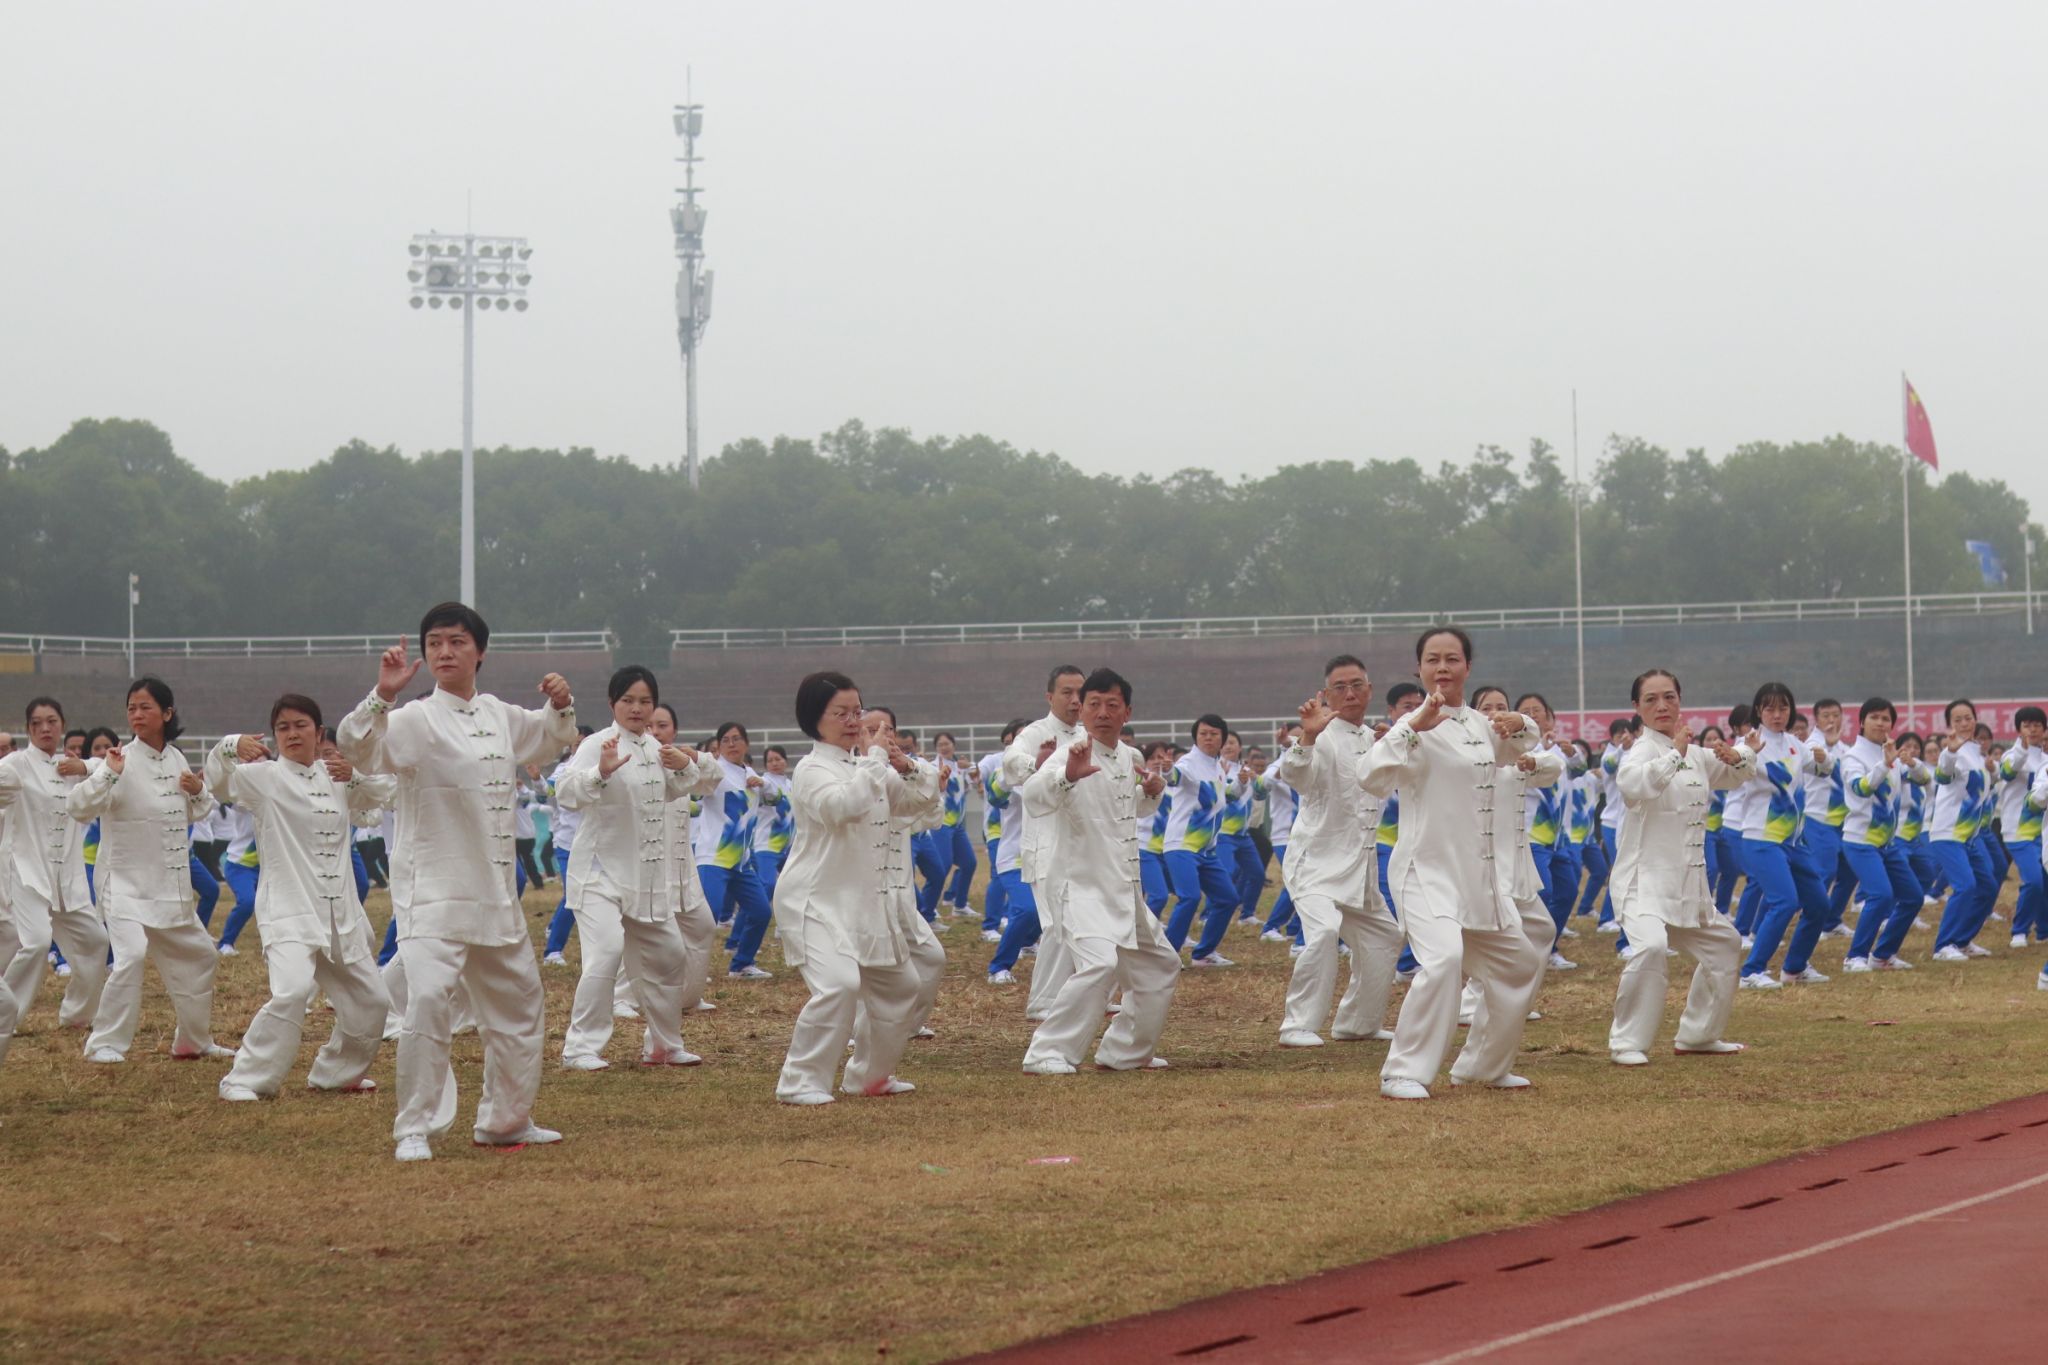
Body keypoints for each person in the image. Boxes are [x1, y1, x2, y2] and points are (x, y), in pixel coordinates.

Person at [337, 602, 578, 1162]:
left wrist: (560, 704)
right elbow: (361, 748)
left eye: (456, 642)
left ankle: (505, 1121)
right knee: (426, 1003)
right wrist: (383, 695)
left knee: (518, 1007)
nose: (444, 652)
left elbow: (547, 738)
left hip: (495, 895)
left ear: (480, 651)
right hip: (435, 891)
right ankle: (414, 1126)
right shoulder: (416, 718)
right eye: (435, 643)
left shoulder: (498, 714)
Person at [1364, 627, 1543, 1100]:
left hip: (1477, 877)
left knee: (1520, 963)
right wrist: (1409, 729)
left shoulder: (1478, 725)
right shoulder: (1414, 727)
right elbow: (1370, 777)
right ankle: (1403, 1071)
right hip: (1425, 870)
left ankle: (1482, 1065)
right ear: (1418, 669)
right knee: (1444, 960)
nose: (1442, 668)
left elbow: (1523, 746)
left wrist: (1518, 723)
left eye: (1452, 659)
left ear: (1468, 666)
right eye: (1432, 660)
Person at [203, 695, 395, 1100]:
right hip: (289, 909)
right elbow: (218, 782)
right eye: (283, 727)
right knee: (290, 992)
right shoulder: (265, 778)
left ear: (319, 732)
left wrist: (355, 777)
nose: (291, 733)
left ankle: (336, 1073)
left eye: (300, 725)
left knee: (373, 1001)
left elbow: (383, 799)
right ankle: (244, 1080)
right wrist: (231, 744)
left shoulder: (336, 776)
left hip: (339, 913)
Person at [771, 671, 943, 1105]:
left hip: (863, 902)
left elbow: (921, 801)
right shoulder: (811, 769)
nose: (852, 721)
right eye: (840, 713)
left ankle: (869, 1076)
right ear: (815, 719)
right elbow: (842, 807)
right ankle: (799, 1082)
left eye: (856, 711)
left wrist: (903, 764)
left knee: (902, 986)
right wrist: (874, 761)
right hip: (815, 899)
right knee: (839, 985)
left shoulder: (865, 765)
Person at [552, 665, 720, 1071]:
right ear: (613, 703)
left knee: (669, 954)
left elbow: (678, 789)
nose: (637, 708)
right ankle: (580, 1047)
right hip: (598, 875)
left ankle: (663, 1046)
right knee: (606, 951)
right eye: (628, 700)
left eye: (645, 701)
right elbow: (566, 792)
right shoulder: (597, 744)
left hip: (644, 877)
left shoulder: (653, 748)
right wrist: (601, 772)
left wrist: (682, 765)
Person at [1019, 668, 1179, 1074]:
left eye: (1112, 705)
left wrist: (1151, 793)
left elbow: (1127, 807)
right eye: (1093, 704)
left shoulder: (1129, 756)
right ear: (1081, 709)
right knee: (1099, 965)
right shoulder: (1070, 752)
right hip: (1080, 885)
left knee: (1161, 964)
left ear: (1127, 711)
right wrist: (1066, 776)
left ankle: (1126, 1051)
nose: (1102, 712)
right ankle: (1047, 1052)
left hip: (1124, 886)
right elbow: (1035, 796)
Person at [70, 677, 233, 1064]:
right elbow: (78, 806)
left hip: (169, 885)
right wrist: (108, 773)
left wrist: (196, 790)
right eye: (131, 707)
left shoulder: (175, 757)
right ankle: (105, 1043)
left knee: (202, 956)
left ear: (167, 713)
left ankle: (192, 1041)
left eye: (145, 706)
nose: (136, 714)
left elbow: (197, 810)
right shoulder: (119, 758)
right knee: (130, 955)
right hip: (123, 882)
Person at [1605, 669, 1755, 1066]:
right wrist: (1675, 753)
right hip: (1643, 882)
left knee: (1725, 945)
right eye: (1651, 699)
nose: (1662, 706)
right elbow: (1634, 786)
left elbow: (1738, 775)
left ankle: (1698, 1035)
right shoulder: (1641, 752)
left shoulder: (1698, 755)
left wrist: (1738, 755)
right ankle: (1627, 1042)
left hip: (1688, 884)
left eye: (1669, 697)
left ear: (1680, 700)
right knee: (1652, 947)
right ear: (1636, 707)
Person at [1274, 656, 1404, 1048]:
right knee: (1323, 933)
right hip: (1315, 862)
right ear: (1326, 694)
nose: (1349, 693)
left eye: (1357, 685)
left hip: (1359, 866)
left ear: (1369, 689)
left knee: (1384, 936)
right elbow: (1297, 777)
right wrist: (1308, 738)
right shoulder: (1322, 736)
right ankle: (1297, 1024)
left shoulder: (1373, 740)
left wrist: (1392, 744)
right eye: (1340, 687)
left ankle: (1357, 1023)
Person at [0, 697, 109, 1032]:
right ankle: (7, 1019)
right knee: (34, 943)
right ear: (28, 729)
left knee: (95, 942)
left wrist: (85, 767)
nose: (45, 728)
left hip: (67, 877)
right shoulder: (16, 764)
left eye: (51, 721)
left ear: (62, 724)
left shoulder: (72, 767)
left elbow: (112, 768)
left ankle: (77, 1015)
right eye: (36, 723)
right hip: (27, 871)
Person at [1735, 682, 1837, 988]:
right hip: (1762, 837)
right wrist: (1744, 753)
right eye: (1769, 708)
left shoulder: (1794, 743)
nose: (1777, 714)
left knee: (1819, 903)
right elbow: (1737, 762)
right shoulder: (1749, 741)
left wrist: (1823, 754)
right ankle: (1751, 971)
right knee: (1784, 901)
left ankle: (1794, 968)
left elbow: (1825, 769)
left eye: (1783, 708)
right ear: (1758, 711)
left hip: (1794, 841)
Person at [1003, 666, 1087, 1017]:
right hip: (1046, 843)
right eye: (1066, 692)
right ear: (1049, 696)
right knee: (1056, 924)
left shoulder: (1088, 734)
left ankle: (1087, 987)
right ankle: (1043, 1001)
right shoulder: (1035, 734)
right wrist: (1035, 762)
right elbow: (1011, 763)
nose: (1075, 700)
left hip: (1083, 843)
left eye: (1080, 692)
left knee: (1085, 919)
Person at [1836, 698, 1929, 972]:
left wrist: (1911, 762)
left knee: (1913, 896)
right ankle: (1854, 957)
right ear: (1862, 722)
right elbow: (1860, 788)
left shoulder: (1892, 755)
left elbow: (1924, 778)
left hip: (1888, 845)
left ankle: (1882, 955)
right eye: (1874, 717)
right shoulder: (1852, 757)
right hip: (1860, 841)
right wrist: (1884, 765)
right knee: (1881, 895)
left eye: (1886, 719)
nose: (1880, 723)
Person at [1159, 713, 1244, 968]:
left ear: (1222, 738)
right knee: (1190, 897)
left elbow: (1224, 798)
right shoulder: (1188, 762)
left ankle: (1203, 954)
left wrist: (1240, 782)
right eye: (1203, 734)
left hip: (1207, 852)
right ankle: (1165, 957)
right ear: (1196, 737)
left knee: (1228, 898)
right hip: (1181, 845)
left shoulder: (1217, 766)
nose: (1208, 738)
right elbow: (1176, 777)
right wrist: (1167, 770)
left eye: (1214, 734)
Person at [695, 722, 778, 981]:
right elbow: (696, 785)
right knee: (706, 917)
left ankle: (742, 964)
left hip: (741, 863)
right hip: (714, 858)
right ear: (718, 747)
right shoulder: (715, 770)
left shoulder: (750, 773)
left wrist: (763, 784)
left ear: (746, 744)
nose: (732, 744)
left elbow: (775, 797)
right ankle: (690, 968)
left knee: (761, 911)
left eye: (737, 739)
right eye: (726, 740)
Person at [1928, 699, 1998, 961]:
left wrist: (1993, 769)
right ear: (1950, 724)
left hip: (1969, 835)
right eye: (1958, 720)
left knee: (1989, 886)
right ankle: (1942, 946)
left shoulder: (1976, 752)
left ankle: (1961, 940)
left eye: (1968, 718)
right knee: (1965, 886)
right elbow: (1943, 776)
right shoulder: (1954, 751)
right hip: (1948, 832)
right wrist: (1949, 752)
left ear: (1975, 719)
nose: (1964, 723)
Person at [1997, 708, 2046, 946]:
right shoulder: (2010, 755)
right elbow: (2007, 773)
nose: (2033, 729)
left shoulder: (2045, 760)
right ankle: (2020, 930)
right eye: (2027, 724)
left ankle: (2044, 930)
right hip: (2018, 831)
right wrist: (2023, 750)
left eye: (2038, 724)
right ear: (2018, 729)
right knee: (2034, 880)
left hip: (2043, 831)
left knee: (2045, 881)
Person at [978, 723, 1022, 944]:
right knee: (998, 875)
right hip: (997, 829)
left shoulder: (1041, 761)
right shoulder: (995, 761)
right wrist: (974, 775)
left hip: (1027, 834)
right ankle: (990, 926)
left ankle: (1010, 917)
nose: (1010, 746)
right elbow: (978, 773)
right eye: (1008, 742)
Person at [752, 745, 795, 906]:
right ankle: (749, 918)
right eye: (770, 761)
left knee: (793, 887)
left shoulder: (791, 784)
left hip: (789, 848)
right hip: (767, 846)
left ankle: (783, 926)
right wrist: (760, 782)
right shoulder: (764, 782)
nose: (774, 763)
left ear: (785, 761)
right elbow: (767, 788)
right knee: (768, 884)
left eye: (778, 759)